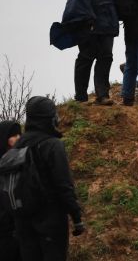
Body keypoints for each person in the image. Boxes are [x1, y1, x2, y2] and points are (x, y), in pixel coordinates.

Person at [13, 96, 85, 260]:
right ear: (49, 118)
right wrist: (76, 217)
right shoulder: (52, 145)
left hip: (22, 222)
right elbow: (64, 185)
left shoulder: (16, 147)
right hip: (50, 220)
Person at [62, 0, 119, 105]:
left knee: (106, 57)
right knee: (86, 57)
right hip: (90, 23)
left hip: (107, 22)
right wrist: (89, 20)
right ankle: (81, 97)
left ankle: (102, 95)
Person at [0, 121, 22, 260]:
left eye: (20, 134)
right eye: (14, 135)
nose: (19, 137)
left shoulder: (24, 160)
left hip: (21, 229)